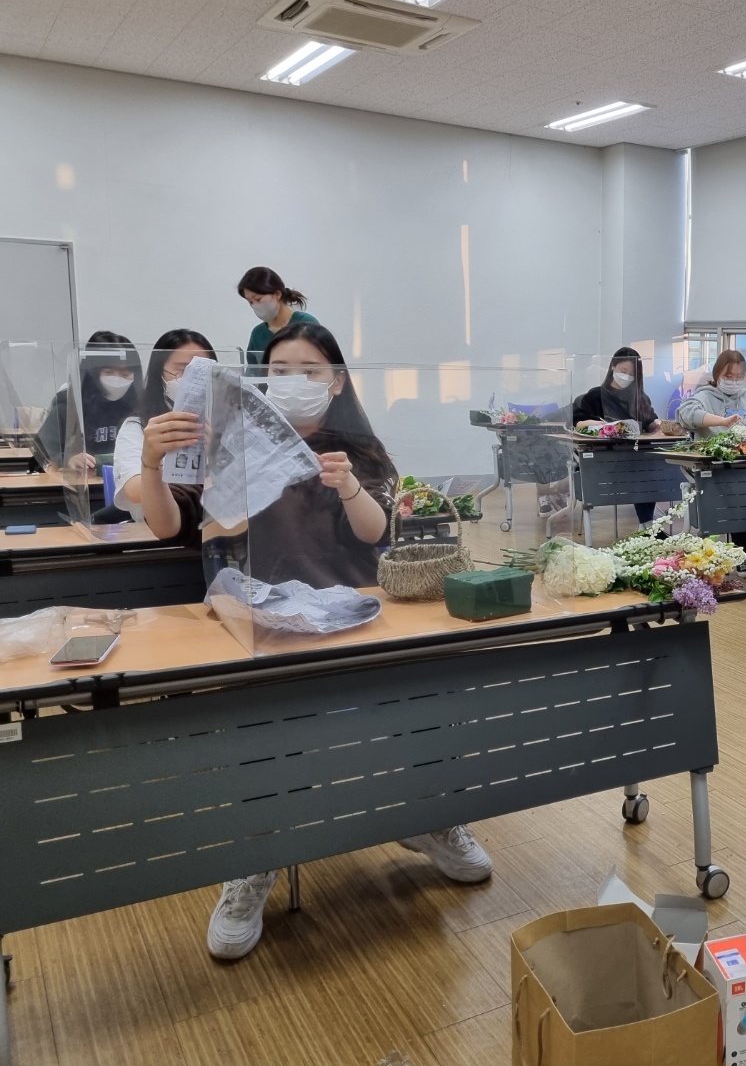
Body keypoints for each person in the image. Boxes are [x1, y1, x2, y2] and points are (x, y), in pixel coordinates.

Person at [138, 322, 495, 961]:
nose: (293, 383)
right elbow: (169, 526)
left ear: (336, 382)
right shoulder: (229, 441)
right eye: (278, 371)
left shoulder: (356, 448)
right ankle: (255, 861)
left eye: (310, 371)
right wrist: (150, 464)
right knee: (268, 746)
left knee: (415, 716)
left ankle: (430, 816)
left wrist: (349, 486)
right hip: (261, 620)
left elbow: (375, 532)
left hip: (356, 614)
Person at [676, 350, 746, 573]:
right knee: (740, 488)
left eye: (739, 377)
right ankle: (740, 553)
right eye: (729, 376)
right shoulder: (704, 396)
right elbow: (685, 413)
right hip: (720, 468)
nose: (734, 381)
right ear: (717, 374)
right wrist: (722, 421)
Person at [112, 329, 217, 524]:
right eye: (183, 370)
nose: (195, 379)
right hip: (156, 533)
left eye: (204, 372)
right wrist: (154, 462)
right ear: (159, 373)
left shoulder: (225, 421)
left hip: (216, 529)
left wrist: (216, 458)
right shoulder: (138, 426)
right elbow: (134, 490)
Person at [572, 346, 663, 527]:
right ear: (613, 366)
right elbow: (575, 422)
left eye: (632, 374)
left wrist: (658, 424)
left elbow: (650, 423)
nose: (627, 376)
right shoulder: (595, 396)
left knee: (651, 468)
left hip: (633, 458)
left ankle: (647, 524)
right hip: (603, 460)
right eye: (623, 371)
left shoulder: (640, 399)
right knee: (641, 470)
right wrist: (595, 425)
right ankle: (648, 525)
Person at [35, 332, 143, 470]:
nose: (117, 380)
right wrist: (68, 460)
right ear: (93, 372)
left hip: (130, 477)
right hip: (86, 479)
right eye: (108, 372)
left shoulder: (140, 405)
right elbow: (41, 449)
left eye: (125, 374)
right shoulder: (70, 405)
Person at [238, 266, 318, 371]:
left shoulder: (306, 324)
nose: (255, 305)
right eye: (250, 302)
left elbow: (320, 367)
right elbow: (253, 372)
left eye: (258, 299)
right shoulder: (258, 333)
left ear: (277, 294)